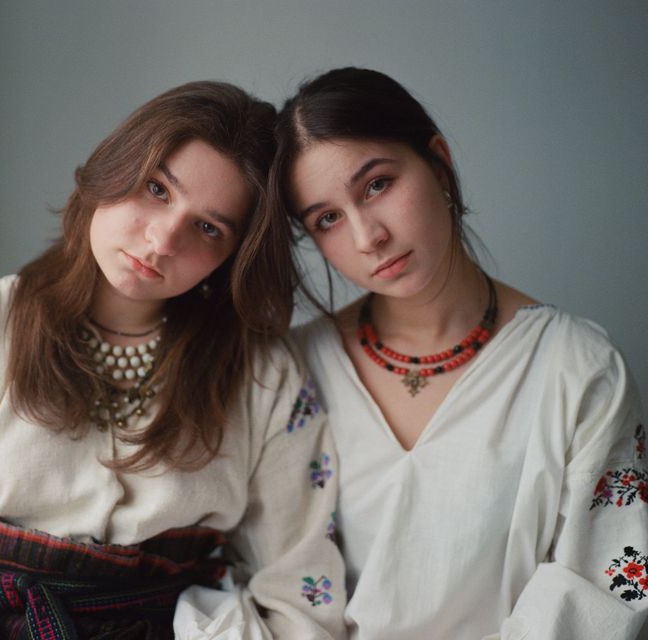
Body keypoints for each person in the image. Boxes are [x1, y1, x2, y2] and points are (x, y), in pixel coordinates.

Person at [0, 80, 346, 639]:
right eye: (156, 189)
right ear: (117, 165)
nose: (162, 240)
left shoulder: (263, 375)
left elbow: (300, 589)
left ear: (231, 256)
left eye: (207, 228)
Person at [269, 66, 648, 639]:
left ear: (439, 163)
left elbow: (601, 593)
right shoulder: (294, 372)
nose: (367, 236)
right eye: (327, 220)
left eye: (377, 185)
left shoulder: (579, 368)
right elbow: (274, 586)